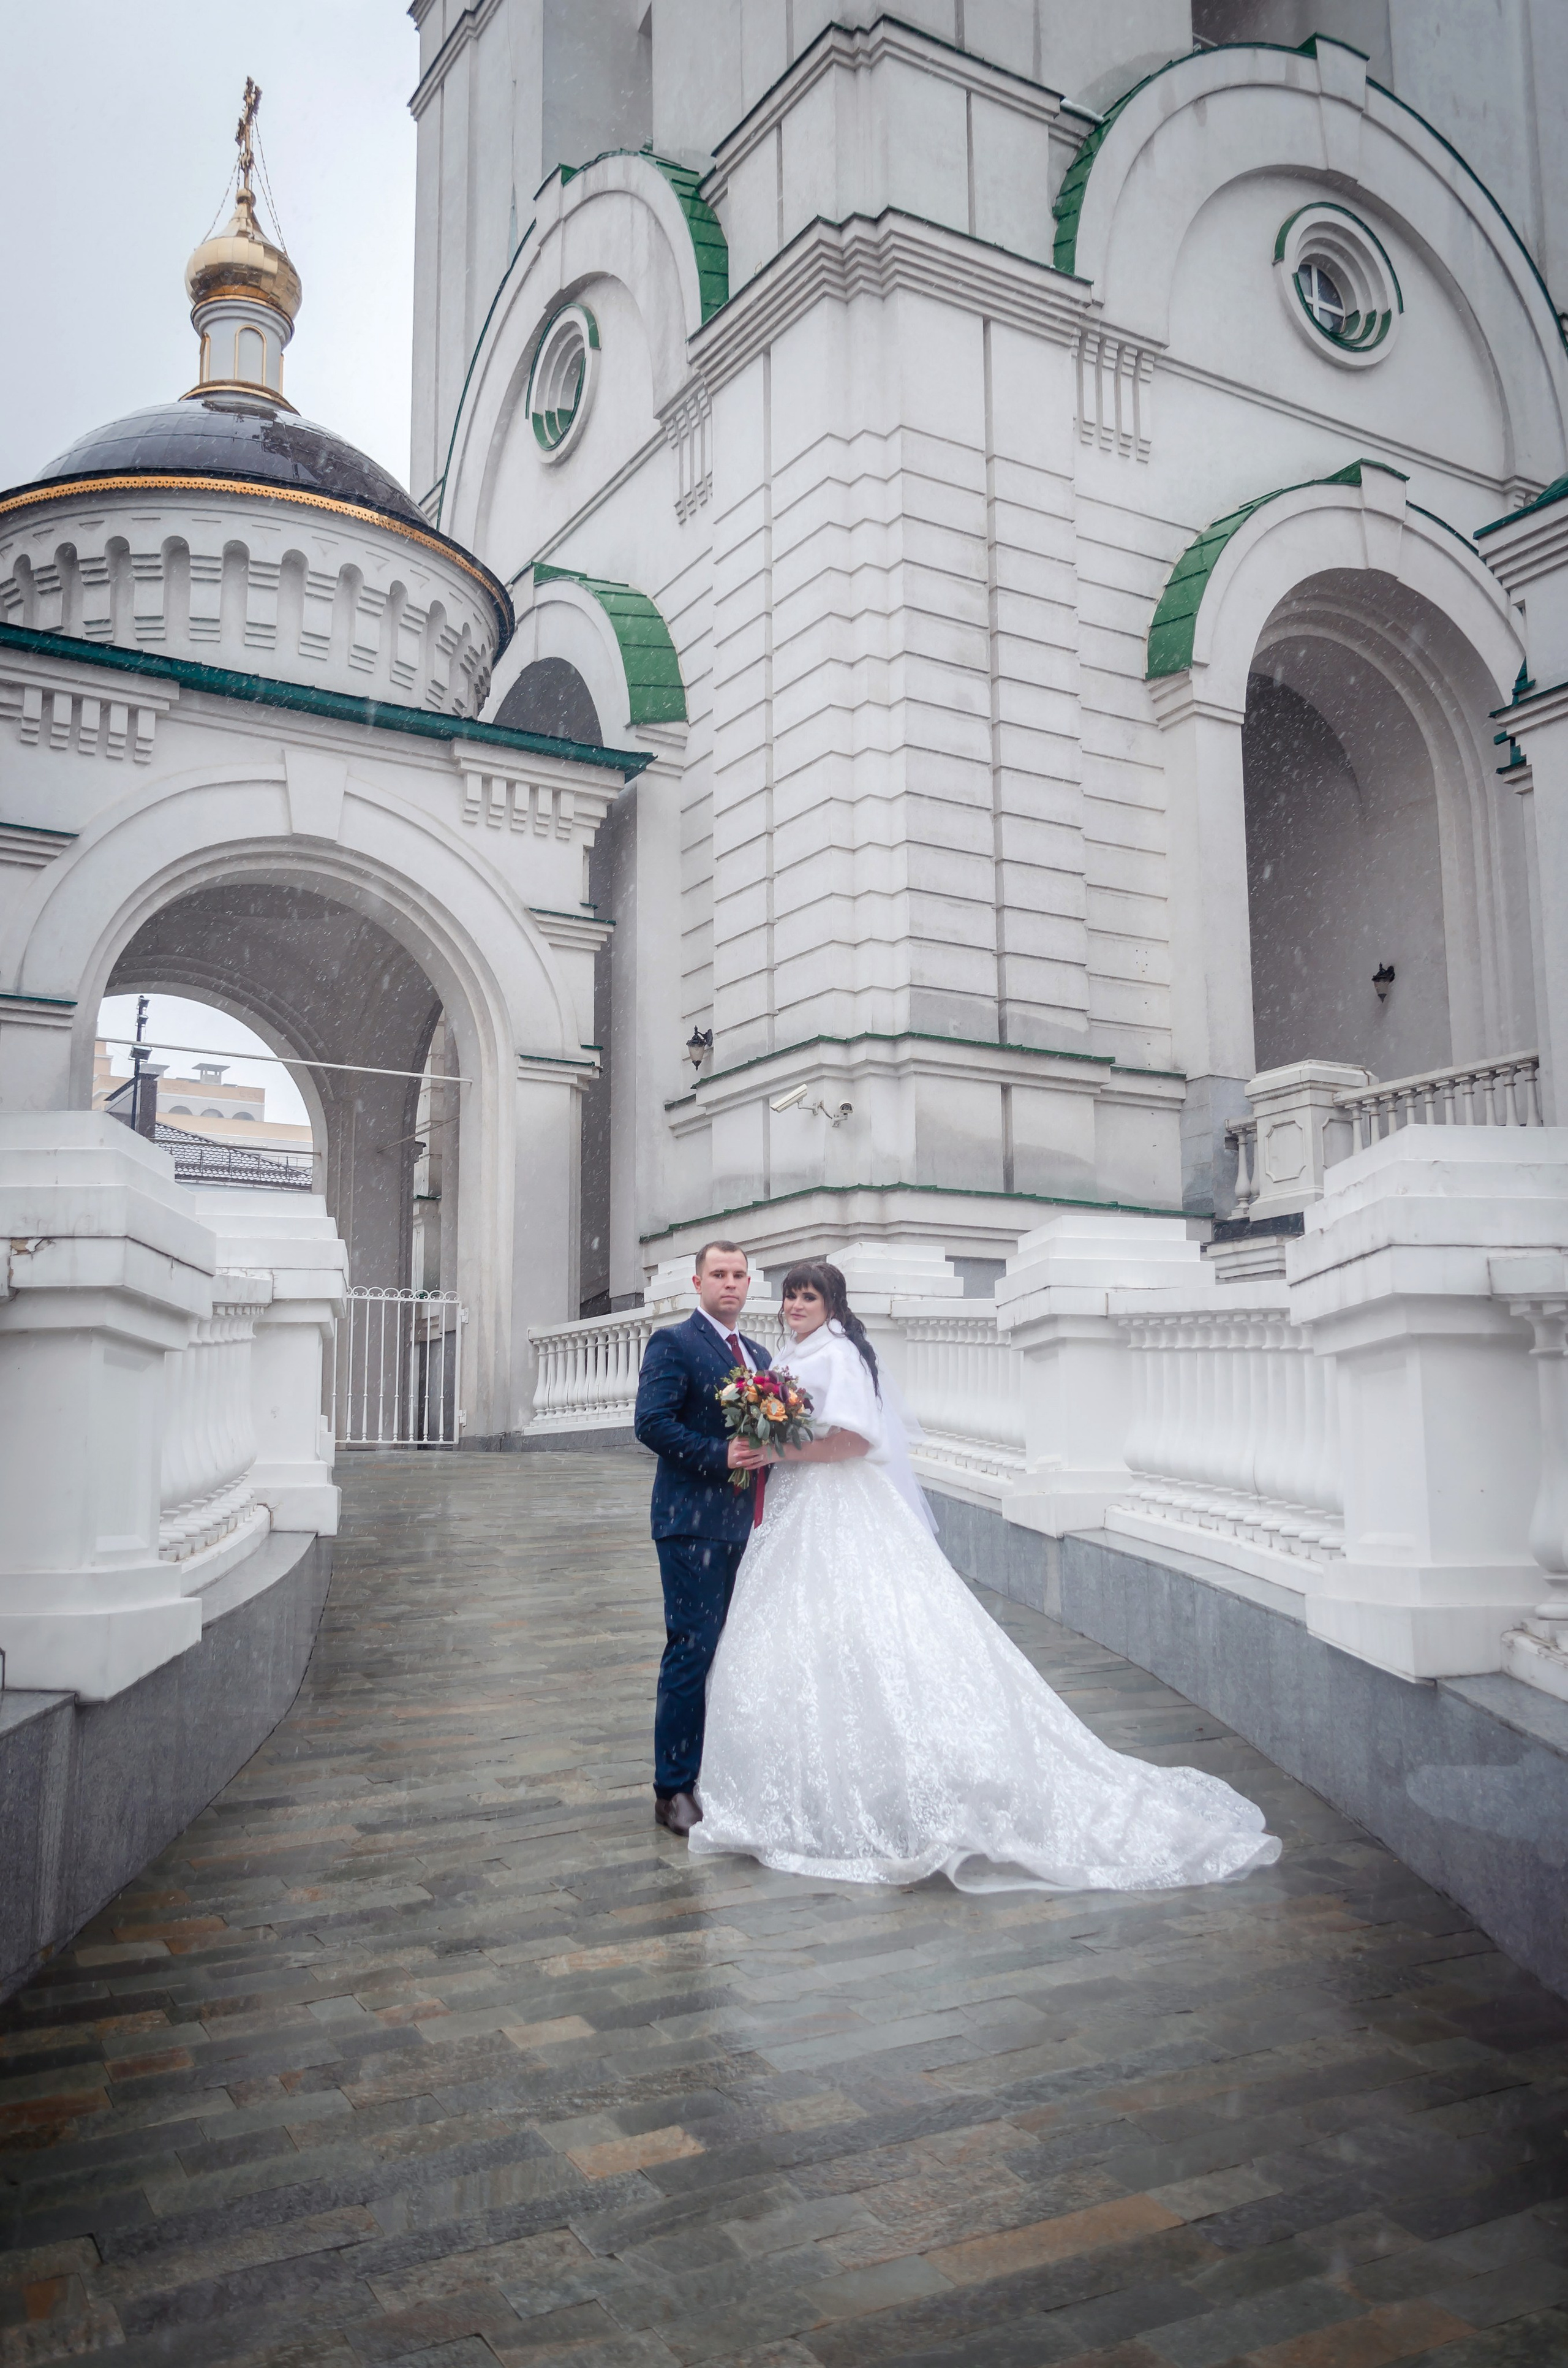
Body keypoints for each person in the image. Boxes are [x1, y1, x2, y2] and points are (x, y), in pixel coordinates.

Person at [688, 1259, 1282, 1893]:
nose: (796, 1305)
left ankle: (883, 1782)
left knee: (871, 1632)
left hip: (838, 1504)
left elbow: (856, 1441)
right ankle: (810, 1780)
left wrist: (780, 1449)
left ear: (832, 1303)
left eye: (808, 1296)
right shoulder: (790, 1353)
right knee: (808, 1641)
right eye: (789, 1296)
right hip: (796, 1506)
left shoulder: (839, 1355)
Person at [632, 1240, 773, 1836]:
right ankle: (674, 1789)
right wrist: (721, 1453)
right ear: (697, 1282)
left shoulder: (761, 1352)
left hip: (749, 1526)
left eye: (739, 1275)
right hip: (690, 1523)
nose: (730, 1284)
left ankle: (723, 1771)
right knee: (691, 1649)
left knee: (738, 1654)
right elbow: (651, 1422)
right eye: (719, 1274)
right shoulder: (675, 1343)